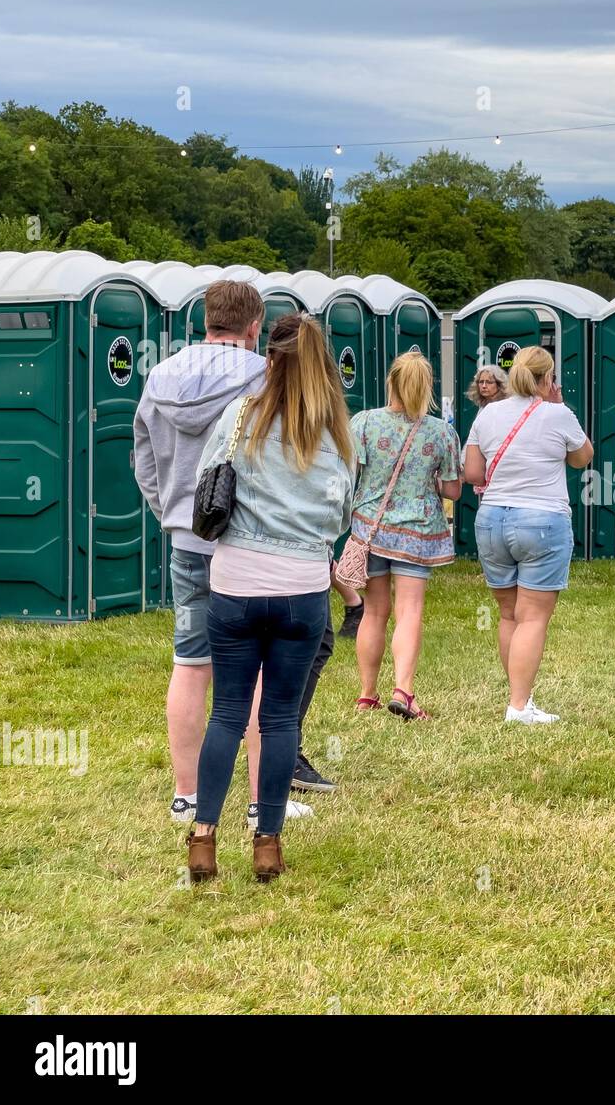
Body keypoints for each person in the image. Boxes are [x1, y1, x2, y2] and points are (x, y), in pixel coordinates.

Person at [133, 280, 332, 827]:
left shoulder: (159, 376)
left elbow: (144, 460)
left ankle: (186, 796)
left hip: (185, 537)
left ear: (205, 320)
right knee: (260, 675)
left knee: (190, 663)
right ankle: (258, 802)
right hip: (250, 544)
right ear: (253, 327)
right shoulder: (263, 376)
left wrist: (173, 514)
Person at [185, 314, 354, 883]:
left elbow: (209, 483)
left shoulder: (241, 417)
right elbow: (340, 515)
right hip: (302, 589)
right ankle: (267, 842)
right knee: (280, 718)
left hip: (235, 582)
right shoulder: (333, 431)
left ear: (271, 358)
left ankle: (203, 839)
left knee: (228, 713)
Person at [463, 347, 592, 724]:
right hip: (542, 520)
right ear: (547, 379)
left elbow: (473, 473)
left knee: (508, 615)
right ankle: (518, 707)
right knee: (533, 618)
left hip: (491, 521)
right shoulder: (558, 414)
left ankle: (519, 697)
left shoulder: (488, 414)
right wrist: (558, 404)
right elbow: (582, 457)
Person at [349, 352, 462, 720]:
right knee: (409, 610)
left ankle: (367, 694)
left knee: (374, 611)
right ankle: (403, 690)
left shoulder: (364, 423)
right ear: (426, 386)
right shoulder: (441, 432)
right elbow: (452, 490)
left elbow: (348, 472)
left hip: (371, 528)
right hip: (416, 532)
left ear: (390, 382)